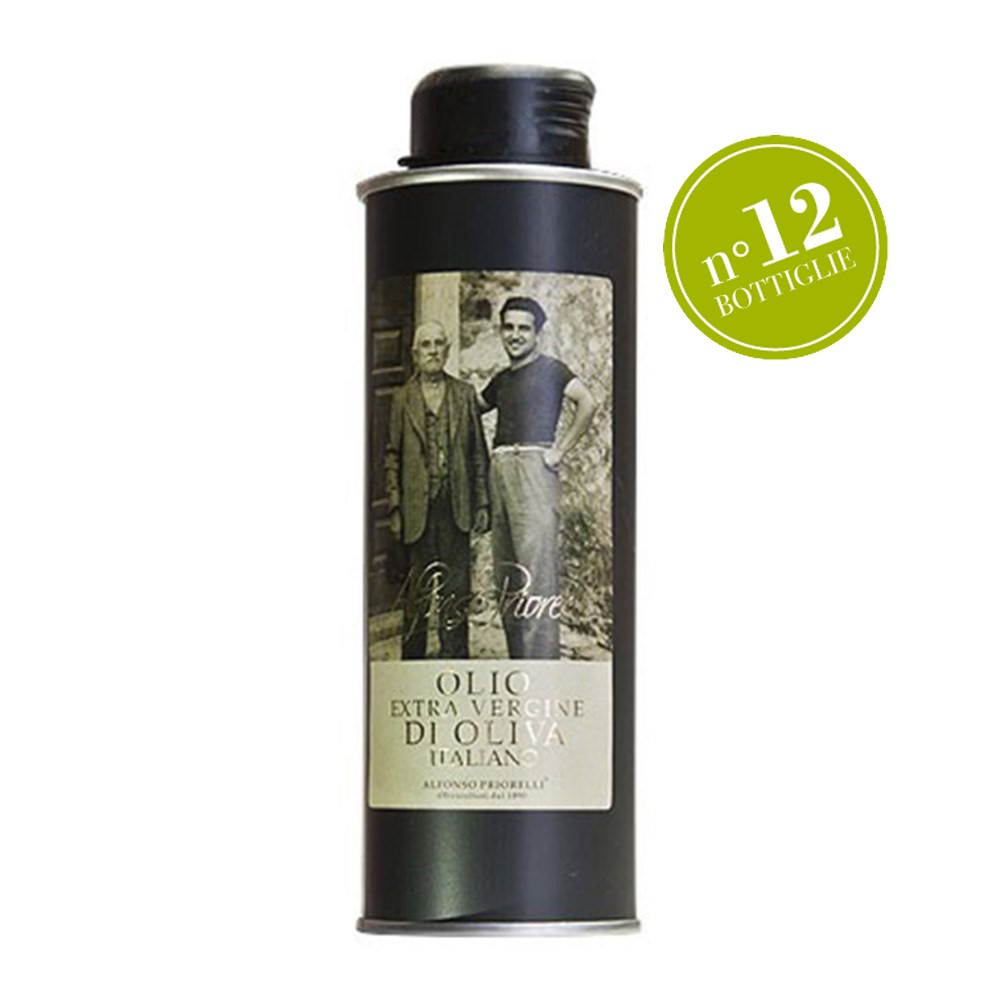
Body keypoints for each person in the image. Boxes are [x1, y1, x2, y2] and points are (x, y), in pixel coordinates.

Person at [478, 297, 596, 659]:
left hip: (534, 469)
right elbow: (471, 408)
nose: (515, 335)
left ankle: (542, 666)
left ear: (537, 334)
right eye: (508, 327)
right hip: (500, 470)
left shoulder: (552, 370)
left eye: (523, 328)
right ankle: (519, 662)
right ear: (501, 331)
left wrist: (559, 451)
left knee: (536, 573)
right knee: (507, 573)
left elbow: (587, 402)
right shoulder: (501, 379)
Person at [385, 321, 490, 659]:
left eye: (438, 344)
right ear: (415, 354)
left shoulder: (464, 394)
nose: (432, 350)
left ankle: (455, 658)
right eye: (426, 345)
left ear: (447, 350)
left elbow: (478, 454)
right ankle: (412, 663)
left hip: (455, 507)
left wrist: (482, 504)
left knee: (455, 590)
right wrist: (395, 508)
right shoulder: (402, 399)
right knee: (416, 594)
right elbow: (392, 456)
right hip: (416, 512)